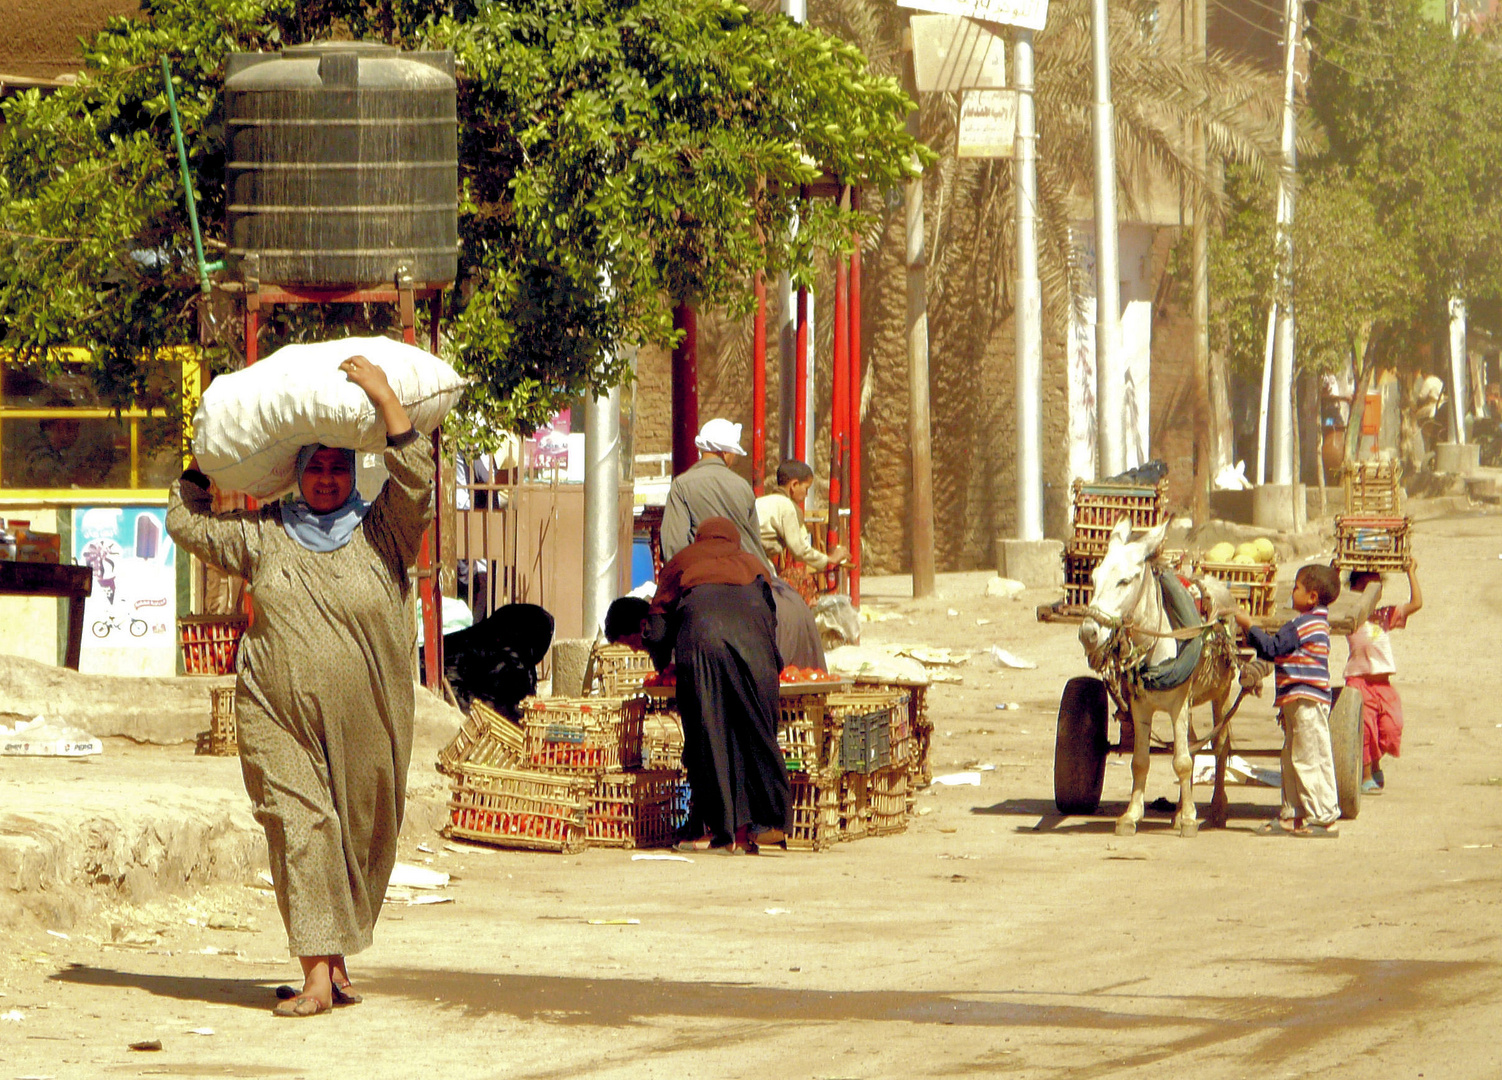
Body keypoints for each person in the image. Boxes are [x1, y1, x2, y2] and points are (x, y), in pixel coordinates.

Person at [166, 355, 432, 1017]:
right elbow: (187, 523)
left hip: (371, 719)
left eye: (337, 466)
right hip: (275, 712)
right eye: (313, 466)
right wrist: (203, 461)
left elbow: (418, 477)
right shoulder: (265, 535)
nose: (325, 478)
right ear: (296, 471)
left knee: (361, 835)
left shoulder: (386, 530)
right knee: (300, 827)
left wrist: (382, 396)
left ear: (352, 472)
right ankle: (316, 975)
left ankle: (335, 962)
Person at [607, 518, 791, 854]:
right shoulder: (754, 563)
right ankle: (769, 822)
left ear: (699, 538)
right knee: (758, 730)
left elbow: (659, 626)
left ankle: (723, 833)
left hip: (704, 646)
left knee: (711, 736)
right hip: (757, 652)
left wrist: (666, 667)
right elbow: (771, 616)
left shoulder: (683, 562)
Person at [660, 419, 824, 670]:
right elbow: (753, 542)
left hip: (700, 580)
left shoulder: (682, 486)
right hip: (752, 574)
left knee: (662, 632)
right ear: (726, 453)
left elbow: (673, 547)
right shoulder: (742, 487)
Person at [1234, 564, 1343, 838]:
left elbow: (1273, 649)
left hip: (1306, 700)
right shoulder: (1313, 622)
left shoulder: (1303, 625)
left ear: (1312, 597)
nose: (1291, 592)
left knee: (1310, 758)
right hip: (1297, 701)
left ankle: (1324, 817)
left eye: (1296, 588)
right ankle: (1293, 814)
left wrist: (1250, 626)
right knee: (1293, 758)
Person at [1344, 560, 1422, 795]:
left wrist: (1411, 572)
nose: (1371, 594)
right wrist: (1335, 570)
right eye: (1366, 588)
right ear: (1355, 590)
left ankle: (1375, 764)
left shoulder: (1384, 615)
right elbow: (1331, 600)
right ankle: (1366, 774)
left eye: (1376, 589)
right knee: (1366, 730)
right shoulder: (1349, 616)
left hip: (1383, 683)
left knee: (1391, 727)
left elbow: (1416, 603)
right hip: (1358, 680)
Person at [755, 460, 847, 604]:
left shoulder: (762, 501)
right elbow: (799, 549)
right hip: (756, 562)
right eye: (806, 488)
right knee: (800, 582)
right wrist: (829, 559)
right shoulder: (786, 506)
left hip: (748, 557)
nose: (806, 495)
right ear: (794, 485)